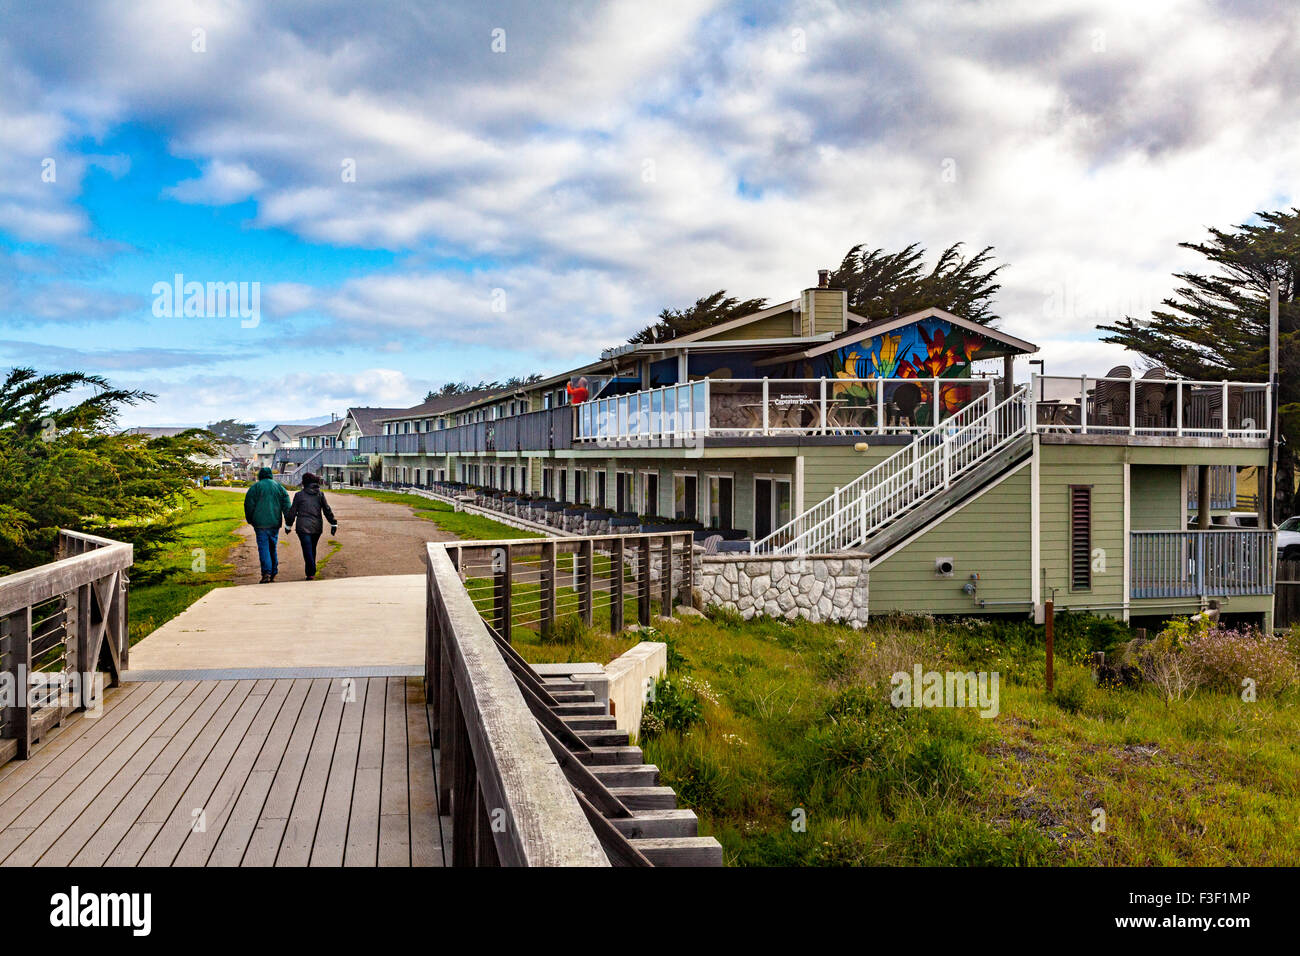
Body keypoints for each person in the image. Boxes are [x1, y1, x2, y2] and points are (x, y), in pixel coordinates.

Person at [285, 472, 338, 581]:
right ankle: (311, 572)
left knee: (307, 549)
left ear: (304, 482)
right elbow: (326, 510)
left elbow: (292, 511)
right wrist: (333, 523)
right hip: (317, 527)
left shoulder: (299, 495)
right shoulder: (320, 494)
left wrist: (288, 525)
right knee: (312, 548)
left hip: (303, 527)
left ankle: (310, 571)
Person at [244, 466, 291, 583]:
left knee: (263, 548)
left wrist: (250, 519)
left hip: (260, 524)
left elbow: (248, 505)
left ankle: (266, 573)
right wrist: (288, 521)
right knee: (272, 547)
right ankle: (273, 571)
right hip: (274, 522)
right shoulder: (279, 487)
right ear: (271, 475)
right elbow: (287, 505)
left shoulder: (255, 488)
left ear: (260, 475)